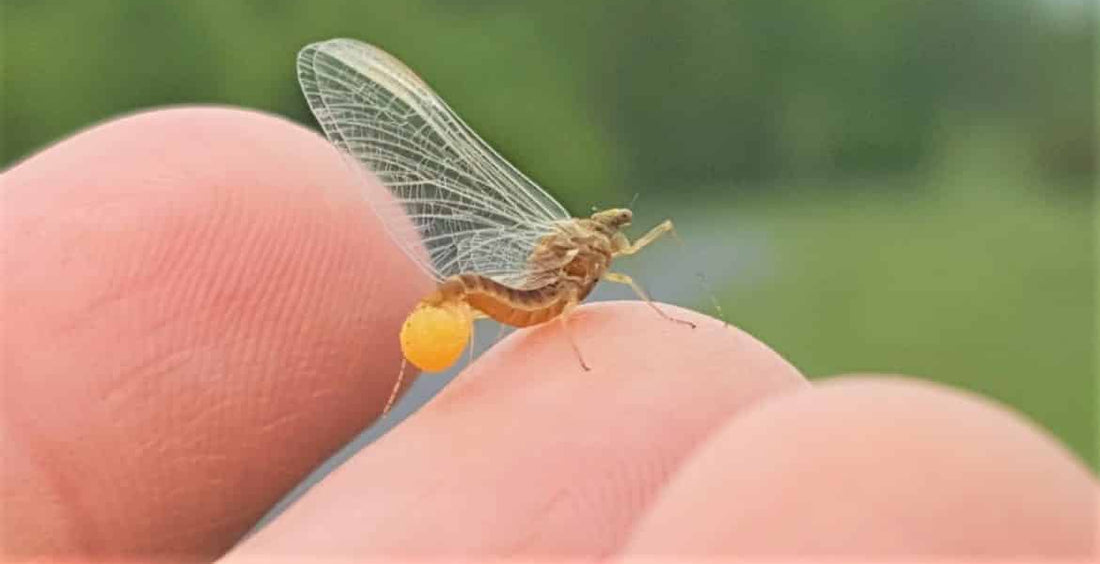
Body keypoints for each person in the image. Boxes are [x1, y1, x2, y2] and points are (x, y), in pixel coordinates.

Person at [3, 108, 1095, 561]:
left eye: (613, 240)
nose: (617, 239)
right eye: (612, 239)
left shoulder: (585, 256)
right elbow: (556, 307)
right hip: (499, 306)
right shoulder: (549, 266)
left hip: (513, 309)